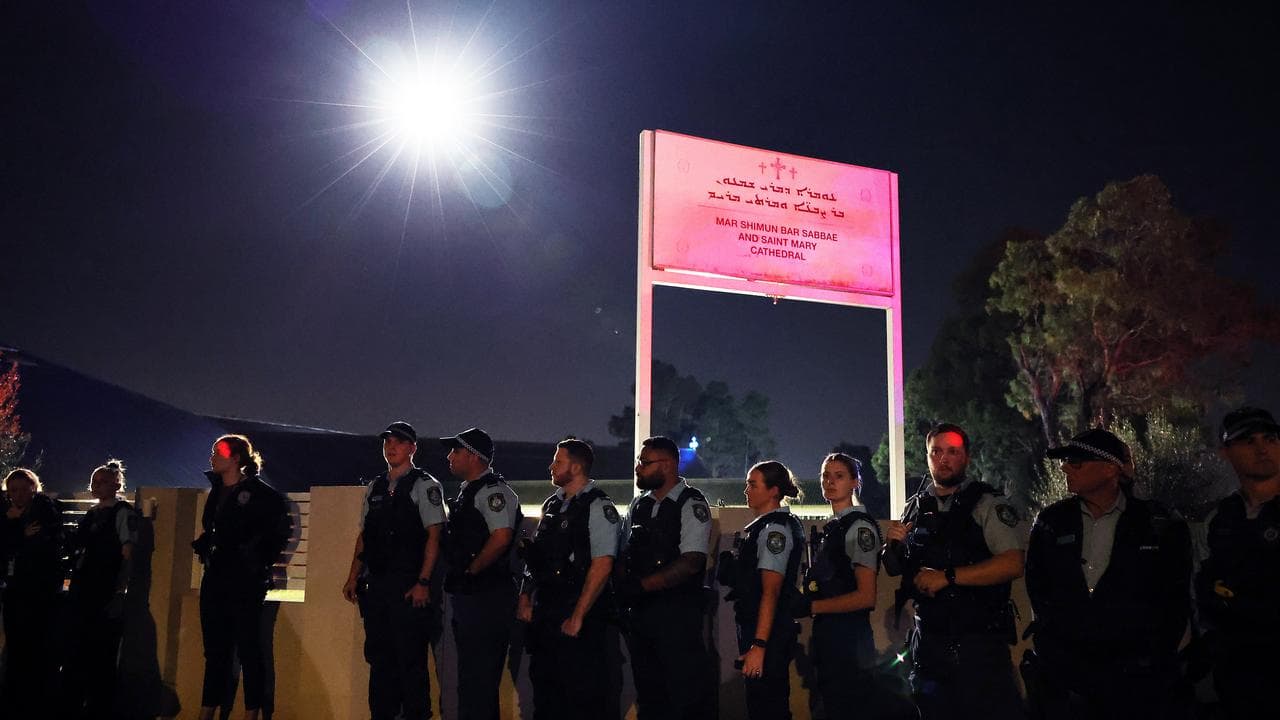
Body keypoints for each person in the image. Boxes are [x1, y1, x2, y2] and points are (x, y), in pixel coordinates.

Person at [1025, 428, 1191, 719]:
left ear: (1110, 468)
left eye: (1076, 462)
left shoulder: (1158, 524)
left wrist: (1152, 658)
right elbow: (1038, 589)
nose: (1065, 467)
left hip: (1136, 682)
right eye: (1065, 462)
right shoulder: (1051, 523)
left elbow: (1175, 599)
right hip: (1067, 679)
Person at [882, 423, 1025, 720]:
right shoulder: (915, 507)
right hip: (929, 645)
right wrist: (893, 545)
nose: (943, 459)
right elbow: (896, 568)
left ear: (967, 458)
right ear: (928, 456)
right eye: (936, 451)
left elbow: (1013, 563)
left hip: (978, 646)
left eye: (952, 451)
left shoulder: (987, 504)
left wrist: (948, 577)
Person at [342, 422, 447, 720]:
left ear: (413, 448)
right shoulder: (375, 487)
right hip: (377, 586)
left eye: (399, 442)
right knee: (379, 659)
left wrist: (423, 581)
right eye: (387, 442)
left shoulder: (424, 485)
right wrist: (353, 576)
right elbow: (364, 536)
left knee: (410, 662)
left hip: (408, 585)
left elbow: (434, 536)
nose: (391, 447)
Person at [789, 452, 901, 719]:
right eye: (825, 476)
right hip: (830, 638)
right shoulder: (836, 527)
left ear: (855, 482)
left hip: (849, 642)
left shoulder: (858, 528)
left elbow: (866, 597)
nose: (830, 481)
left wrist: (811, 605)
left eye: (839, 476)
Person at [516, 438, 619, 720]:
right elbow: (535, 556)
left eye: (558, 462)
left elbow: (602, 564)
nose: (551, 466)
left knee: (581, 697)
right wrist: (525, 596)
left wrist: (578, 615)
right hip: (547, 610)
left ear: (575, 467)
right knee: (547, 694)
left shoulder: (597, 506)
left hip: (580, 613)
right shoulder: (552, 504)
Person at [192, 435, 292, 720]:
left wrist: (257, 561)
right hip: (215, 577)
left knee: (249, 648)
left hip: (245, 581)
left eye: (219, 452)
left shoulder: (260, 495)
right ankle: (208, 710)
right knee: (214, 650)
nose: (213, 456)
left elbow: (277, 532)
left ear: (236, 458)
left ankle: (252, 712)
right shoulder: (216, 491)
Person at [616, 436, 714, 720]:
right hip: (642, 616)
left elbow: (692, 561)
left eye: (645, 463)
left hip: (676, 616)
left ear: (668, 465)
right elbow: (625, 551)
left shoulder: (690, 503)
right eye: (639, 462)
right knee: (650, 695)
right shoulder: (640, 505)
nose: (638, 468)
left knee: (683, 697)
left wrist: (640, 586)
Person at [1193, 406, 1280, 718]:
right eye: (1248, 440)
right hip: (1239, 674)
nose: (1262, 447)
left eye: (1270, 438)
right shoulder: (1220, 518)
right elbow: (1204, 587)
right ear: (1226, 452)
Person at [441, 427, 520, 720]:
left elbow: (501, 536)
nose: (449, 456)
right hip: (471, 596)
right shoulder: (468, 491)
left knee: (481, 681)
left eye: (456, 451)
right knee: (470, 681)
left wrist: (471, 571)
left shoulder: (493, 492)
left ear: (474, 457)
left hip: (488, 597)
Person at [721, 460, 804, 720]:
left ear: (773, 491)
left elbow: (771, 591)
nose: (746, 490)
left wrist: (759, 645)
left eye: (753, 484)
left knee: (768, 707)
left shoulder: (774, 531)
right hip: (760, 630)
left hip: (767, 634)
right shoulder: (762, 528)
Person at [60, 459, 141, 719]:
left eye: (104, 481)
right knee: (77, 652)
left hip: (104, 592)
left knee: (101, 656)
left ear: (117, 484)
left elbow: (127, 554)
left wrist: (119, 592)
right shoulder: (93, 514)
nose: (97, 486)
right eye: (95, 481)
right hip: (83, 591)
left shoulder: (122, 513)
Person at [1, 467, 63, 718]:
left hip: (38, 592)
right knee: (16, 646)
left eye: (21, 489)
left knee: (36, 646)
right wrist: (16, 529)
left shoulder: (44, 510)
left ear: (33, 488)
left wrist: (15, 532)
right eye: (11, 491)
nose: (16, 495)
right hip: (16, 590)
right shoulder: (9, 515)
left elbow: (39, 546)